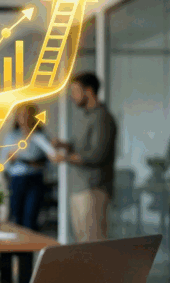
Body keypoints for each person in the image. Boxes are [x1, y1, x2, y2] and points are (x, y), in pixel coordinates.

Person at [52, 72, 117, 243]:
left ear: (88, 91)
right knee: (82, 242)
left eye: (75, 91)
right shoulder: (86, 116)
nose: (72, 97)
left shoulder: (102, 118)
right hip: (80, 188)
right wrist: (64, 146)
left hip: (94, 188)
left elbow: (96, 155)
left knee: (93, 242)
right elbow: (81, 147)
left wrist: (65, 158)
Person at [2, 103, 54, 231]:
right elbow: (4, 162)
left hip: (35, 179)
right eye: (21, 115)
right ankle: (17, 249)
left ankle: (28, 250)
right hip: (16, 180)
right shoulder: (11, 136)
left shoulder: (41, 136)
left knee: (30, 218)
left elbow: (51, 160)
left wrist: (36, 162)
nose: (24, 118)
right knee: (16, 218)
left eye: (27, 115)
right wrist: (12, 157)